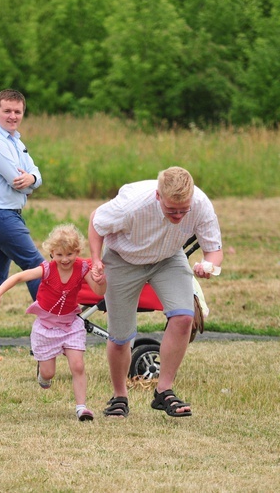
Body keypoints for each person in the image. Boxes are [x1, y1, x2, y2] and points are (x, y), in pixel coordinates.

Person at [89, 166, 223, 418]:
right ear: (158, 196)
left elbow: (214, 250)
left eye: (184, 210)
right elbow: (96, 221)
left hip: (168, 257)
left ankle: (164, 391)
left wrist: (210, 266)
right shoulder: (132, 204)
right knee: (120, 336)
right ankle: (119, 397)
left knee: (184, 317)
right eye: (172, 210)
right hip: (123, 258)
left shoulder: (201, 204)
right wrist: (96, 260)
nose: (179, 215)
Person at [0, 224, 106, 421]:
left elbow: (99, 292)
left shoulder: (82, 268)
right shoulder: (47, 269)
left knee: (77, 365)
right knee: (48, 373)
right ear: (52, 253)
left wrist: (101, 280)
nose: (65, 259)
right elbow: (19, 276)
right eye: (59, 254)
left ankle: (81, 408)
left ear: (77, 252)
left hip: (70, 324)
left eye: (70, 254)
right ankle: (42, 376)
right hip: (46, 326)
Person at [0, 89, 45, 349]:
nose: (12, 116)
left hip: (4, 214)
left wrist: (33, 178)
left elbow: (35, 173)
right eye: (7, 111)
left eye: (17, 111)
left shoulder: (15, 139)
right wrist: (30, 182)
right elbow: (18, 184)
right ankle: (51, 331)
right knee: (38, 268)